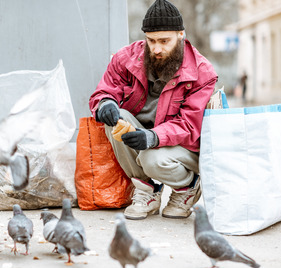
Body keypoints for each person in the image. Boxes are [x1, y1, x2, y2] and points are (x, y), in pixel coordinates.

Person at [89, 0, 218, 220]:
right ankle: (147, 191)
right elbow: (104, 91)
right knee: (116, 118)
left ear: (181, 35)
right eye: (151, 41)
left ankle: (187, 187)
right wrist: (105, 104)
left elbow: (189, 125)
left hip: (183, 146)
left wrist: (153, 137)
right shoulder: (126, 57)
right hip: (143, 137)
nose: (156, 49)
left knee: (152, 159)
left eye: (164, 41)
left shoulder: (202, 72)